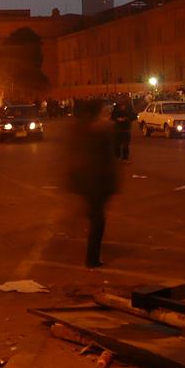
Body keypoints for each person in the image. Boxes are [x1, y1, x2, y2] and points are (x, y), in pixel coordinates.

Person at [65, 100, 118, 268]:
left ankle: (92, 257)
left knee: (95, 218)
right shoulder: (98, 131)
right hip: (96, 183)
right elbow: (105, 159)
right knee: (98, 221)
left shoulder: (81, 129)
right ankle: (92, 259)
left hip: (88, 182)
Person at [109, 97, 136, 162]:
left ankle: (124, 158)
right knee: (117, 144)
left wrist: (127, 119)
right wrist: (117, 119)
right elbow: (112, 116)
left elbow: (133, 116)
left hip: (126, 128)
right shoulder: (117, 107)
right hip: (118, 128)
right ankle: (117, 157)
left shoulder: (129, 107)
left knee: (125, 145)